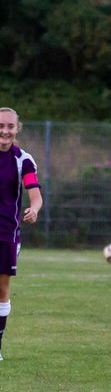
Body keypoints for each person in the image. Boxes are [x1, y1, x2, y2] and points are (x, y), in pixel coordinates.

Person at [0, 107, 43, 363]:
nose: (5, 131)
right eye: (1, 126)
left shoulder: (23, 159)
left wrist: (34, 209)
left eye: (10, 126)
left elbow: (34, 193)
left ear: (17, 128)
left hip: (6, 232)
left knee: (2, 290)